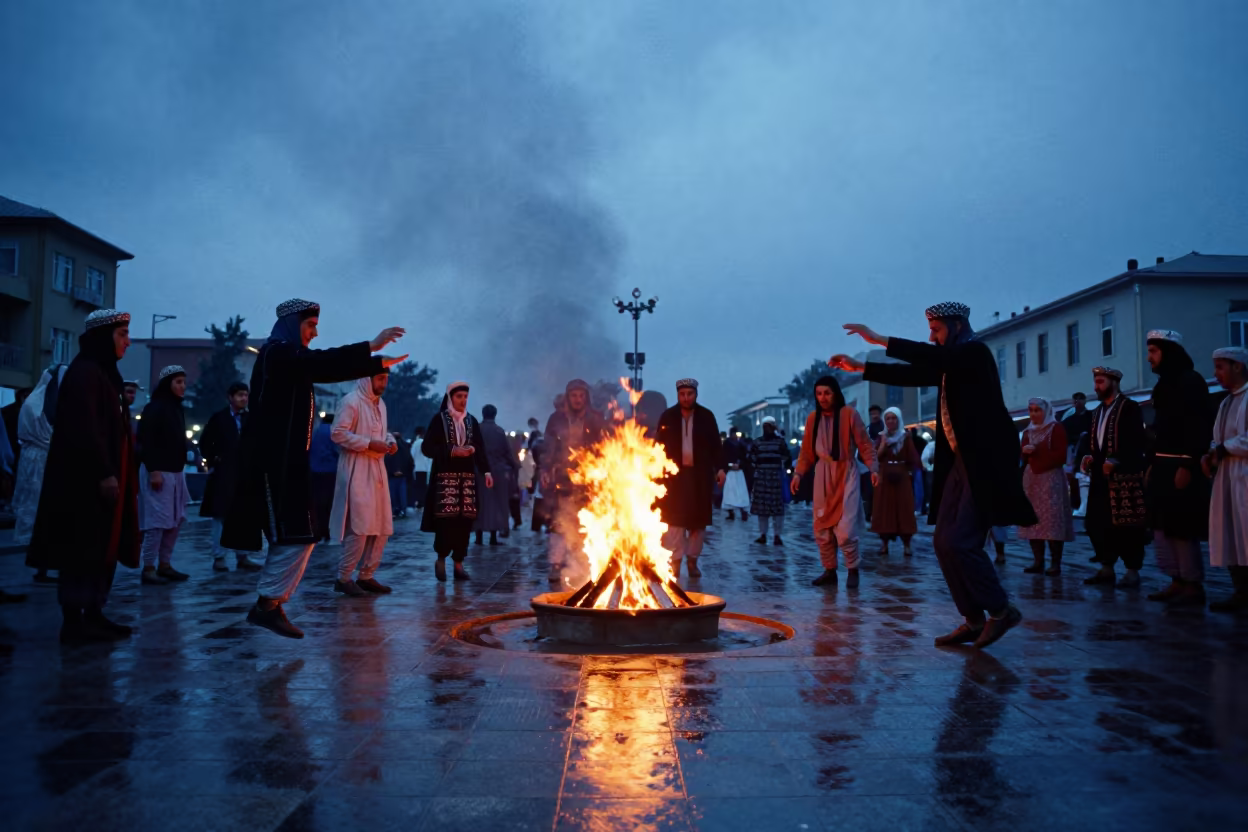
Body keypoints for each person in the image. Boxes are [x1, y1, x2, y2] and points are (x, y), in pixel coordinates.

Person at [832, 301, 1033, 649]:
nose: (931, 336)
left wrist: (880, 339)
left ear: (956, 325)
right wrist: (862, 368)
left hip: (983, 462)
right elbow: (914, 374)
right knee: (942, 542)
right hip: (958, 460)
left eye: (936, 330)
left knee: (962, 542)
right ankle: (972, 619)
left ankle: (1001, 611)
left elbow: (933, 359)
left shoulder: (974, 354)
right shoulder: (950, 361)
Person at [223, 299, 404, 638]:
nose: (315, 332)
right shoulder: (278, 353)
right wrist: (372, 352)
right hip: (272, 464)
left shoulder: (292, 360)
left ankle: (271, 604)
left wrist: (373, 360)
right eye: (310, 326)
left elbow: (320, 365)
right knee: (293, 535)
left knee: (303, 536)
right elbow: (324, 365)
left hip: (290, 464)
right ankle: (267, 604)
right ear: (293, 325)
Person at [27, 310, 140, 643]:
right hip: (84, 486)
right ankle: (74, 622)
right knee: (81, 550)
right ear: (104, 336)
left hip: (107, 483)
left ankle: (94, 613)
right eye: (122, 334)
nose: (128, 341)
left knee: (102, 548)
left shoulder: (106, 375)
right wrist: (104, 472)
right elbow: (84, 429)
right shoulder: (85, 374)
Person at [1143, 329, 1215, 607]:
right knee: (1162, 524)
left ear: (1168, 352)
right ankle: (1175, 578)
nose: (1149, 358)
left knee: (1182, 525)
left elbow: (1197, 425)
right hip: (1162, 464)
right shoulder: (1163, 386)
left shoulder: (1190, 382)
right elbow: (1161, 429)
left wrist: (1186, 463)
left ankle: (1192, 582)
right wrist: (1151, 463)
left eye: (1153, 352)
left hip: (1181, 464)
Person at [792, 376, 877, 587]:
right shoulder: (813, 419)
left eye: (827, 393)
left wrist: (874, 468)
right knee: (821, 526)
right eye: (819, 393)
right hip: (822, 475)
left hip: (846, 472)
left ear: (835, 393)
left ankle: (852, 569)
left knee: (846, 529)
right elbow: (806, 452)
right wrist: (798, 474)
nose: (823, 398)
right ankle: (830, 570)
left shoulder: (849, 414)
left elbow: (865, 444)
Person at [1081, 367, 1150, 588]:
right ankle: (1106, 566)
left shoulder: (1129, 408)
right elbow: (1097, 444)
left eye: (1100, 382)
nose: (1096, 387)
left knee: (1127, 524)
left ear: (1114, 382)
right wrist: (1090, 458)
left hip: (1124, 477)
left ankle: (1132, 570)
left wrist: (1117, 460)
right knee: (1097, 522)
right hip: (1100, 477)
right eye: (1095, 382)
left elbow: (1136, 440)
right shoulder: (1097, 411)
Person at [329, 369, 397, 596]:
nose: (384, 382)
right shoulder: (351, 401)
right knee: (360, 526)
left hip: (377, 469)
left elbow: (382, 432)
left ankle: (366, 575)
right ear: (367, 379)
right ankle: (344, 577)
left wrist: (389, 441)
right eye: (380, 378)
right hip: (356, 468)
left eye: (386, 378)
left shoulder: (381, 404)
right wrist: (368, 443)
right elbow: (338, 434)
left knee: (382, 525)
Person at [422, 381, 493, 581]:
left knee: (465, 522)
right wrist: (453, 450)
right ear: (450, 398)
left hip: (468, 481)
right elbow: (427, 448)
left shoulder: (472, 421)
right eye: (458, 397)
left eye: (465, 397)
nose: (462, 401)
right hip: (445, 480)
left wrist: (486, 471)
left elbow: (480, 448)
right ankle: (441, 559)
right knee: (446, 521)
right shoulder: (439, 420)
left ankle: (459, 563)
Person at [655, 379, 725, 578]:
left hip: (699, 477)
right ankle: (675, 562)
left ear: (696, 394)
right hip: (674, 479)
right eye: (682, 394)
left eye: (690, 394)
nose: (686, 398)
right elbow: (657, 446)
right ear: (678, 395)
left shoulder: (706, 417)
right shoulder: (668, 417)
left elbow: (715, 446)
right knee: (675, 523)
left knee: (697, 523)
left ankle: (693, 561)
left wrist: (720, 469)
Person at [540, 379, 607, 582]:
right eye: (574, 395)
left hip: (589, 478)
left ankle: (585, 563)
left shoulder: (596, 418)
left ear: (586, 397)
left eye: (581, 395)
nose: (578, 399)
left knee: (587, 521)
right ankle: (556, 563)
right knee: (559, 522)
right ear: (568, 397)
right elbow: (548, 446)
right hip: (562, 477)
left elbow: (603, 447)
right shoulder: (556, 419)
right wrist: (545, 468)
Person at [137, 365, 193, 585]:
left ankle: (165, 564)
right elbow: (146, 441)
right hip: (158, 471)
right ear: (167, 384)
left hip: (176, 472)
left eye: (183, 382)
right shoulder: (155, 407)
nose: (182, 386)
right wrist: (153, 470)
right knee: (157, 522)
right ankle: (149, 567)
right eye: (177, 382)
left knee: (175, 520)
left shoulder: (176, 408)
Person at [13, 363, 69, 584]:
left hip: (48, 461)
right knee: (39, 513)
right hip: (38, 463)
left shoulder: (51, 404)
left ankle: (48, 564)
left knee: (52, 514)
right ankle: (41, 565)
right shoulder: (34, 406)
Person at [1202, 347, 1248, 612]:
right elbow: (1218, 437)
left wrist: (1224, 448)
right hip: (1227, 475)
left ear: (1238, 366)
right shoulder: (1225, 402)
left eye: (1220, 367)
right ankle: (1240, 590)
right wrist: (1211, 451)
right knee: (1230, 531)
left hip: (1244, 475)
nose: (1216, 374)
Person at [199, 382, 261, 572]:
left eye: (246, 395)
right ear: (230, 397)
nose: (244, 399)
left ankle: (243, 556)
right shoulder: (219, 419)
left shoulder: (251, 419)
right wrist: (215, 458)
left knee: (244, 517)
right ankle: (219, 557)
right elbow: (205, 443)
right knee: (220, 516)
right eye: (240, 395)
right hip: (224, 475)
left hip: (245, 476)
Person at [1017, 397, 1074, 575]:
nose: (1034, 414)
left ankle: (1055, 562)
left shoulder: (1055, 428)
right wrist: (1024, 452)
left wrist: (1038, 453)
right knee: (1033, 520)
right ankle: (1038, 561)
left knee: (1052, 519)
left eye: (1037, 410)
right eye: (1031, 410)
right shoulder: (1027, 431)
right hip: (1032, 479)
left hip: (1050, 478)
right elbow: (1022, 455)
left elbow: (1060, 455)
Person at [871, 406, 921, 557]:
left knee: (904, 509)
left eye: (894, 418)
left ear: (899, 420)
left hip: (902, 478)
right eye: (888, 418)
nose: (891, 421)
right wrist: (883, 445)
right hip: (885, 478)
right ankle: (884, 544)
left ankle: (907, 545)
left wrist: (911, 472)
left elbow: (913, 458)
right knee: (885, 510)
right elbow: (875, 458)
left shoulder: (906, 437)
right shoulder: (881, 437)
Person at [474, 404, 518, 546]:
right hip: (497, 472)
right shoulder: (499, 432)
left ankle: (478, 537)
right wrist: (514, 465)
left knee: (478, 503)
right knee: (497, 504)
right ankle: (493, 537)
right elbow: (507, 453)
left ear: (483, 414)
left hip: (479, 472)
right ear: (495, 415)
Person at [748, 416, 792, 545]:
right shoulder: (774, 442)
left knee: (772, 510)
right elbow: (786, 458)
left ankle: (772, 535)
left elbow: (752, 459)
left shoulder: (766, 443)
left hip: (769, 479)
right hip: (768, 478)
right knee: (768, 509)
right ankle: (768, 535)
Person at [308, 412, 338, 543]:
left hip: (314, 471)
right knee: (329, 503)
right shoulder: (333, 432)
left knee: (317, 503)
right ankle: (327, 531)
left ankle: (317, 531)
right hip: (329, 471)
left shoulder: (316, 431)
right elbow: (338, 451)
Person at [386, 429, 415, 519]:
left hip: (392, 475)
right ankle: (403, 510)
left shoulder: (390, 448)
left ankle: (395, 510)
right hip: (403, 475)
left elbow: (387, 461)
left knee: (393, 494)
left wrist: (392, 471)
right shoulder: (406, 447)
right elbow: (410, 461)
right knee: (402, 494)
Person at [721, 432, 751, 521]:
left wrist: (740, 465)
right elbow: (724, 456)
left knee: (741, 493)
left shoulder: (741, 444)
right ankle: (730, 512)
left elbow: (745, 458)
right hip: (730, 472)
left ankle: (743, 512)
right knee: (729, 493)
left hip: (739, 472)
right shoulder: (726, 444)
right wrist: (728, 466)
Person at [1061, 392, 1093, 460]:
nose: (1078, 401)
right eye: (1076, 399)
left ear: (1085, 401)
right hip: (1075, 455)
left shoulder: (1094, 416)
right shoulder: (1068, 421)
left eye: (1080, 399)